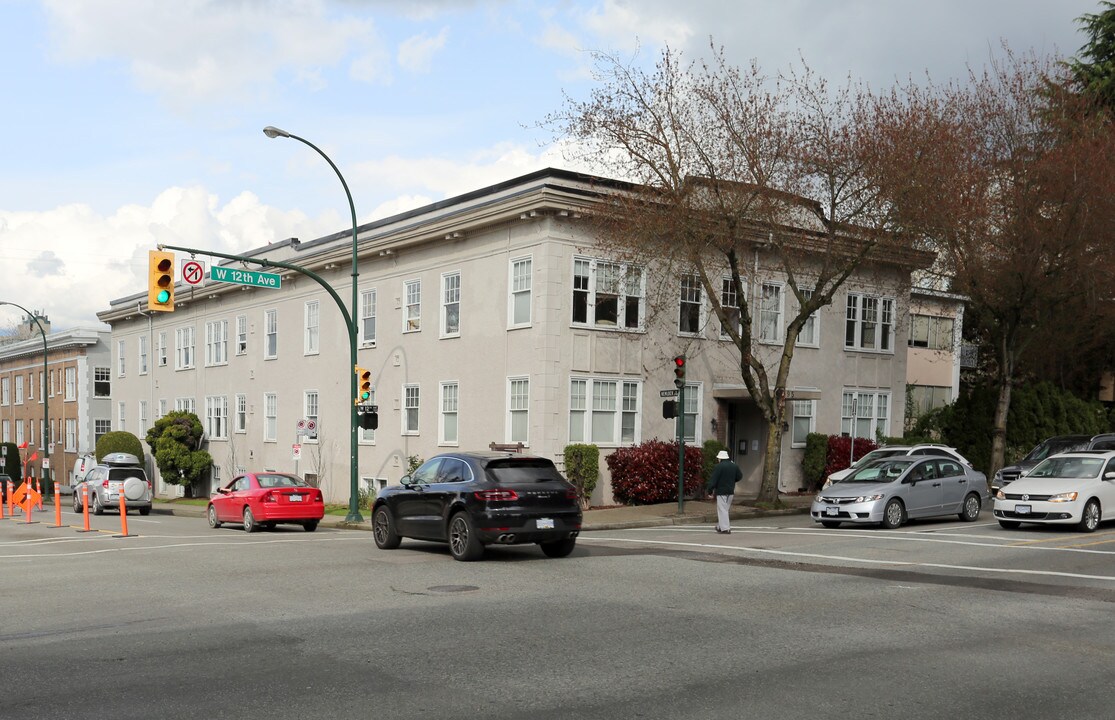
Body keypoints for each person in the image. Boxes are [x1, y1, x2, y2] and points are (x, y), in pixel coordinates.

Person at [707, 449, 742, 534]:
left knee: (722, 509)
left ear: (720, 458)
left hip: (721, 491)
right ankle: (720, 526)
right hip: (730, 490)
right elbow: (740, 476)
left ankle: (725, 528)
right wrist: (733, 480)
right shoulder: (734, 466)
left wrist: (710, 491)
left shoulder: (718, 467)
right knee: (725, 509)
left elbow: (713, 480)